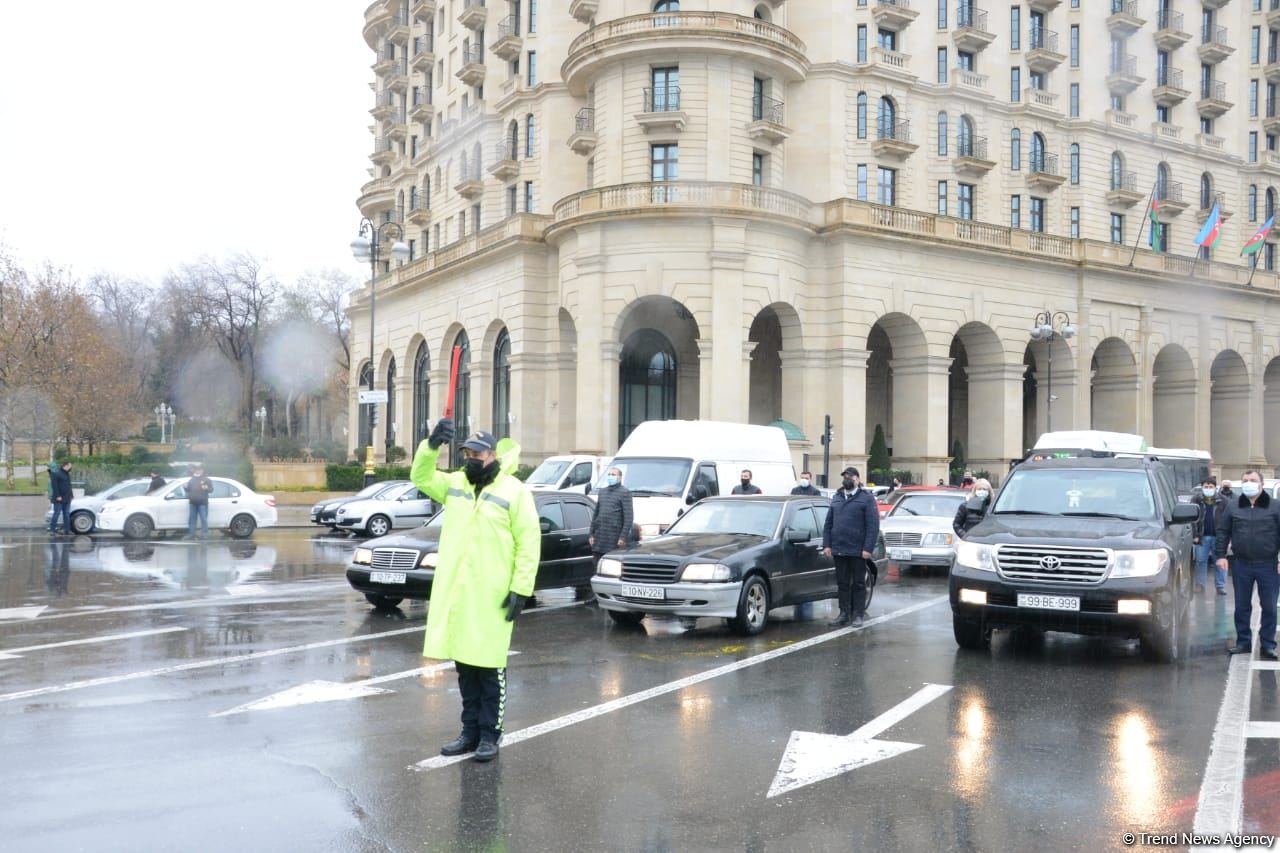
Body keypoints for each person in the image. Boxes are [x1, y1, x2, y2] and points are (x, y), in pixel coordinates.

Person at [411, 421, 539, 763]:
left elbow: (529, 543)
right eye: (466, 453)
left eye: (477, 453)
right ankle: (468, 732)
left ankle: (489, 736)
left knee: (490, 669)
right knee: (466, 668)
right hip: (460, 595)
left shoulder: (515, 491)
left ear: (493, 455)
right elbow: (421, 478)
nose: (470, 458)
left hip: (493, 596)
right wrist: (431, 445)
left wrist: (520, 589)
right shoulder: (456, 484)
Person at [1216, 470, 1280, 660]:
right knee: (1242, 606)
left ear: (1261, 484)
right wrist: (1221, 556)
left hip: (1268, 565)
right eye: (1245, 480)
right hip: (1242, 564)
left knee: (1269, 606)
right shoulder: (1233, 506)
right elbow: (1223, 532)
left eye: (1252, 480)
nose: (1248, 483)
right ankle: (1243, 642)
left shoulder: (1275, 507)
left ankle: (1268, 645)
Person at [822, 466, 880, 627]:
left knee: (858, 583)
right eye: (845, 476)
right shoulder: (837, 497)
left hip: (858, 550)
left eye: (850, 476)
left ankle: (858, 614)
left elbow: (872, 526)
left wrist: (868, 548)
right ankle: (844, 613)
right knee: (842, 583)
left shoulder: (866, 498)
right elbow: (828, 523)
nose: (847, 479)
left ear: (857, 479)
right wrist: (827, 544)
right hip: (839, 548)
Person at [590, 466, 634, 565]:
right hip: (600, 536)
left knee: (611, 565)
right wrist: (591, 533)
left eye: (613, 475)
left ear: (620, 477)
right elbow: (596, 514)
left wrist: (622, 537)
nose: (610, 477)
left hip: (614, 537)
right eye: (609, 474)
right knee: (597, 564)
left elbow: (628, 517)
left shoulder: (625, 493)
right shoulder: (602, 492)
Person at [1192, 477, 1228, 595]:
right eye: (1206, 487)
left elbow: (1228, 519)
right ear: (1202, 488)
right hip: (1202, 536)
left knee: (1220, 561)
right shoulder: (1196, 500)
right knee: (1201, 561)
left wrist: (1226, 535)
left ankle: (1220, 586)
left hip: (1219, 537)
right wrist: (1195, 534)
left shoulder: (1223, 501)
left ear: (1215, 487)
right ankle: (1200, 585)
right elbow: (1192, 519)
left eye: (1210, 487)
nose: (1208, 489)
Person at [184, 465, 213, 540]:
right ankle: (191, 534)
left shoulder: (206, 479)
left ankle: (204, 534)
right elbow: (188, 490)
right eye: (197, 470)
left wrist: (207, 488)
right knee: (192, 519)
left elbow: (211, 490)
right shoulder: (191, 480)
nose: (198, 471)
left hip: (202, 503)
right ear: (195, 471)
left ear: (202, 471)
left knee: (203, 519)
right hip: (192, 503)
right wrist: (185, 487)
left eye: (200, 470)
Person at [48, 461, 73, 535]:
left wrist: (71, 495)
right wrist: (58, 496)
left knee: (66, 514)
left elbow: (69, 485)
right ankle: (52, 530)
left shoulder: (67, 474)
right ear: (65, 466)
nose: (70, 468)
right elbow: (54, 486)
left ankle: (67, 530)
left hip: (67, 498)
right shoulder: (56, 474)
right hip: (59, 499)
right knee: (56, 513)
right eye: (70, 466)